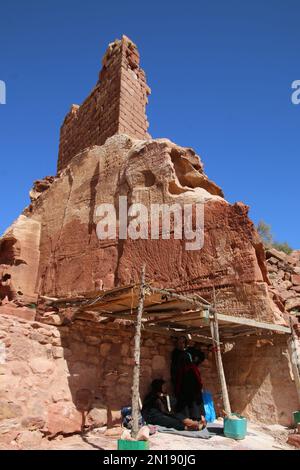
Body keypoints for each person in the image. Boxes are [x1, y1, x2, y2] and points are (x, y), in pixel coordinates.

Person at [175, 348, 206, 427]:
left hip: (188, 389)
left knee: (190, 404)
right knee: (194, 404)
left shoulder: (184, 368)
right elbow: (198, 379)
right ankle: (198, 419)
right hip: (193, 389)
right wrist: (200, 386)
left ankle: (194, 419)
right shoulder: (192, 367)